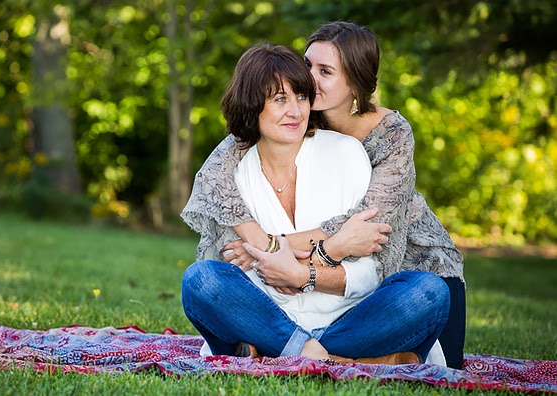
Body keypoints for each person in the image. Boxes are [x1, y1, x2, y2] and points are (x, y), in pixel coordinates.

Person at [181, 22, 466, 369]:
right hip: (288, 308)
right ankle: (340, 357)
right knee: (201, 279)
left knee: (430, 294)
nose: (308, 81)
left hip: (404, 259)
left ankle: (288, 350)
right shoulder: (260, 143)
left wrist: (277, 253)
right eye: (307, 65)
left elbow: (372, 242)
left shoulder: (374, 143)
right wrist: (277, 246)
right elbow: (214, 174)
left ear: (355, 84)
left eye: (325, 72)